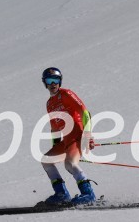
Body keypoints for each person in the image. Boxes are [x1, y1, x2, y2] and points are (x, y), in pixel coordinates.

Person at [40, 67, 97, 205]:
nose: (53, 84)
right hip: (66, 141)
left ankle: (88, 194)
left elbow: (85, 113)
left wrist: (88, 135)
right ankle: (61, 194)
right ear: (45, 83)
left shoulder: (66, 94)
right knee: (46, 161)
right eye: (49, 80)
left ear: (60, 81)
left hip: (77, 136)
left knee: (70, 164)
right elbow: (54, 128)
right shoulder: (49, 104)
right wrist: (56, 147)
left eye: (56, 80)